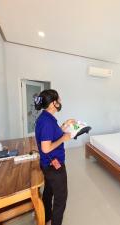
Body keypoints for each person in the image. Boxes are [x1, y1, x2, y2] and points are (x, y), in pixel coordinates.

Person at [34, 89, 74, 225]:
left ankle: (46, 217)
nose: (60, 102)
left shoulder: (46, 117)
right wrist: (64, 138)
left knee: (49, 191)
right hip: (53, 166)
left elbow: (53, 133)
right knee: (60, 198)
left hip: (47, 164)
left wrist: (64, 125)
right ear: (52, 104)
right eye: (59, 100)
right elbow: (46, 148)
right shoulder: (46, 122)